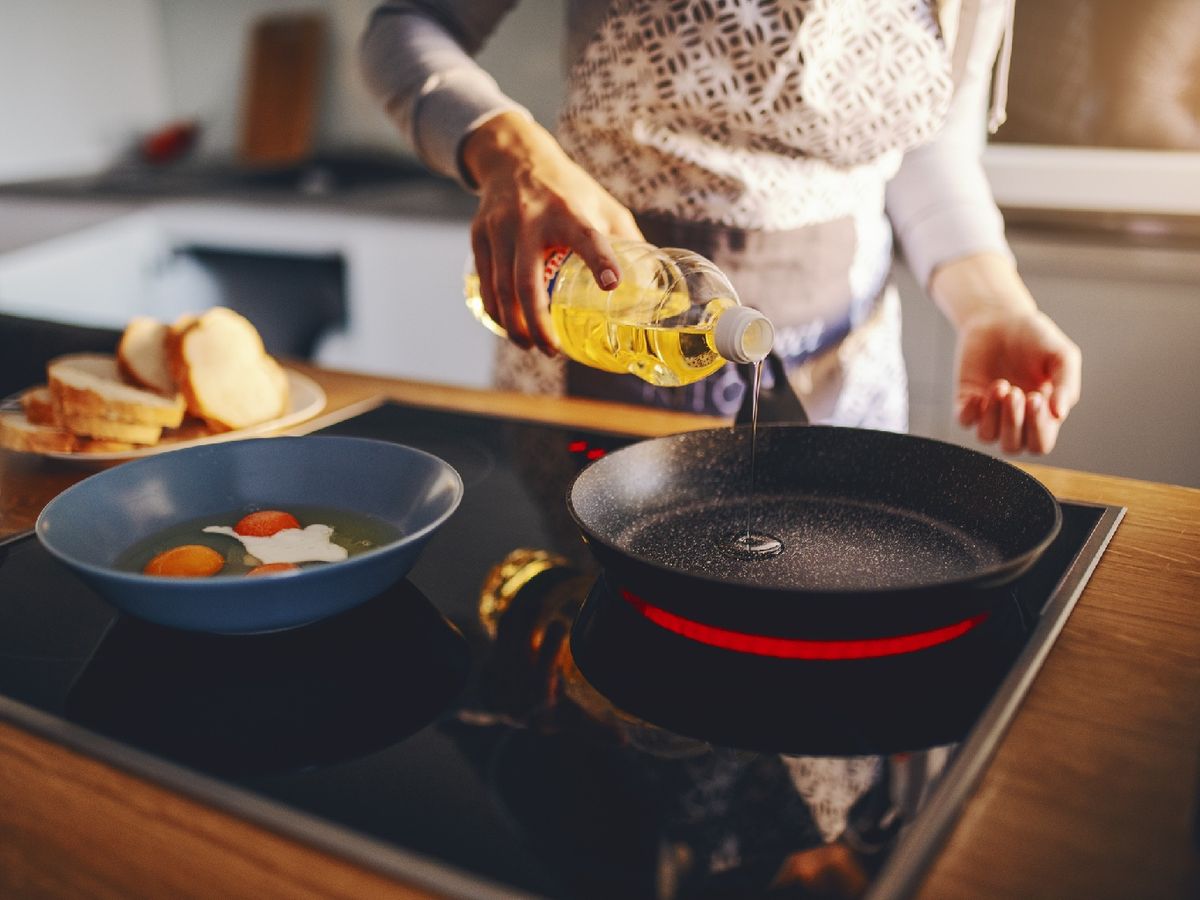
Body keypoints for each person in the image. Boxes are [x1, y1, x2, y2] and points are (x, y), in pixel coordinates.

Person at [360, 0, 1081, 454]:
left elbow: (927, 140)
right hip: (589, 334)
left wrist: (993, 302)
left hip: (842, 371)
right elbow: (405, 24)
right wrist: (508, 150)